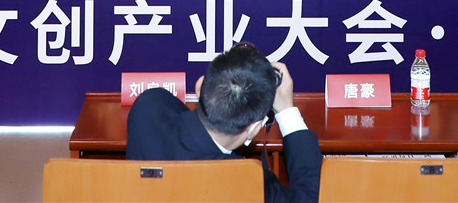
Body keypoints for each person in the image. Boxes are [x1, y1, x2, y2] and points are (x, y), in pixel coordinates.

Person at [126, 43, 321, 203]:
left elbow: (173, 114)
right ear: (254, 129)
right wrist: (287, 111)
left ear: (200, 86)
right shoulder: (244, 179)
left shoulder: (148, 106)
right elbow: (311, 196)